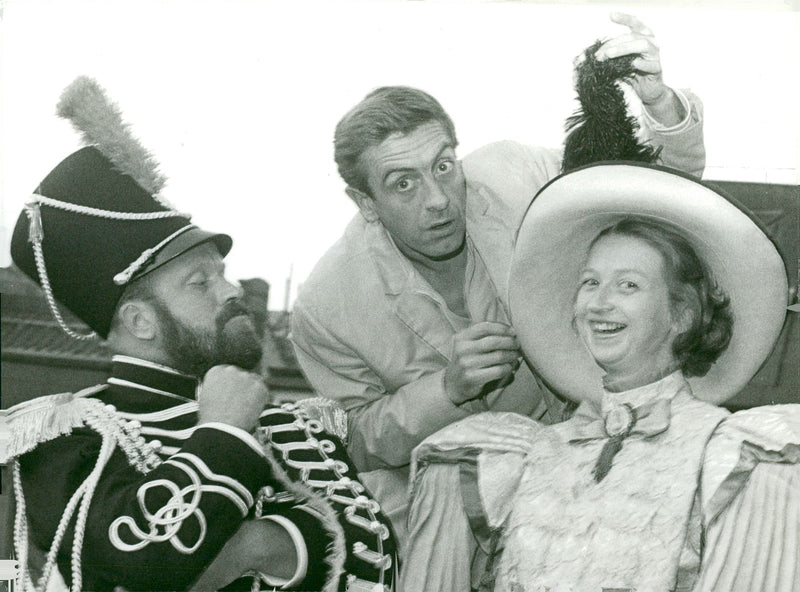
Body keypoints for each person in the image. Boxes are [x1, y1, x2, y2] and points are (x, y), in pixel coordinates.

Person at [290, 13, 707, 548]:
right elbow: (357, 442)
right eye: (403, 184)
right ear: (366, 203)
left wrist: (661, 107)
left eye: (443, 166)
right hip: (457, 512)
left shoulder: (518, 175)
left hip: (602, 452)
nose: (438, 199)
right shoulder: (325, 307)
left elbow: (650, 191)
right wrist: (446, 389)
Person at [0, 77, 396, 592]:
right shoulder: (67, 441)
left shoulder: (295, 427)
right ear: (141, 322)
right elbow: (143, 558)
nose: (231, 290)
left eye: (222, 272)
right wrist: (224, 434)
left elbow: (376, 555)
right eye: (199, 282)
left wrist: (257, 545)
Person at [401, 162, 799, 591]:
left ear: (682, 314)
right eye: (590, 282)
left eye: (628, 285)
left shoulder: (736, 457)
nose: (599, 303)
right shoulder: (505, 457)